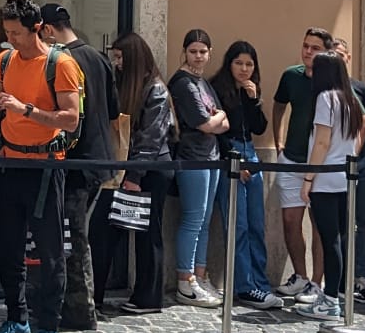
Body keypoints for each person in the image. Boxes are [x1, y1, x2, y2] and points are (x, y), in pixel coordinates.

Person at [0, 0, 83, 333]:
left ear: (36, 28)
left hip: (45, 166)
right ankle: (15, 319)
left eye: (17, 33)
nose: (11, 40)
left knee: (50, 250)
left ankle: (48, 327)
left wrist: (27, 110)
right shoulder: (3, 60)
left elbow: (70, 118)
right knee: (6, 248)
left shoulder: (61, 64)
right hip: (10, 162)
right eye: (7, 33)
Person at [41, 3, 118, 330]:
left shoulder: (62, 61)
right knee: (78, 234)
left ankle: (80, 311)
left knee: (73, 238)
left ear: (46, 29)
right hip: (99, 160)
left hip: (76, 161)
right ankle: (82, 305)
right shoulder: (99, 58)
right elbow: (114, 111)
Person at [95, 33, 169, 314]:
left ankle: (148, 297)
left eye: (121, 56)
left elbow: (152, 137)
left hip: (146, 172)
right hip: (127, 169)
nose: (117, 62)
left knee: (148, 234)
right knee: (106, 231)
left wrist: (134, 176)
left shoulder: (155, 90)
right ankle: (97, 293)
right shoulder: (126, 85)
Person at [298, 51, 365, 320]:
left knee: (330, 240)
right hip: (344, 177)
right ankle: (335, 294)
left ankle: (329, 300)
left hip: (326, 178)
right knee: (338, 237)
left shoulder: (326, 99)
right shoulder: (350, 99)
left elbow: (322, 142)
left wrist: (308, 178)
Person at [208, 41, 278, 309]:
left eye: (249, 64)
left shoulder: (250, 90)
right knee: (238, 225)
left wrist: (254, 100)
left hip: (252, 152)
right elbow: (220, 132)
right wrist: (233, 160)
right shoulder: (218, 89)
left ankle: (261, 283)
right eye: (239, 63)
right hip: (232, 155)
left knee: (257, 224)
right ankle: (244, 286)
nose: (244, 69)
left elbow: (259, 127)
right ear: (229, 63)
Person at [270, 27, 336, 299]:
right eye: (306, 46)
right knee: (290, 220)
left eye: (315, 48)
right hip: (292, 158)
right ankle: (300, 275)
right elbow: (278, 106)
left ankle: (316, 284)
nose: (308, 52)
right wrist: (279, 141)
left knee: (320, 225)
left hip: (321, 165)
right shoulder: (291, 75)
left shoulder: (332, 81)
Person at [167, 30, 229, 306]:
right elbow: (206, 123)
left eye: (203, 51)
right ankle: (185, 281)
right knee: (193, 219)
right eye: (193, 51)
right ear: (185, 52)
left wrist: (219, 118)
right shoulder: (183, 83)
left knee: (205, 220)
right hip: (192, 156)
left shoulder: (203, 82)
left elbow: (224, 120)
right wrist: (218, 119)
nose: (198, 56)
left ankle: (200, 276)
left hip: (211, 155)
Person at [330, 36, 365, 292]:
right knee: (338, 222)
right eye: (333, 54)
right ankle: (339, 277)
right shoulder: (323, 91)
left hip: (362, 162)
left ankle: (361, 275)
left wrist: (356, 124)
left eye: (341, 54)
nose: (338, 59)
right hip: (333, 164)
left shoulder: (362, 89)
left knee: (363, 221)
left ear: (348, 57)